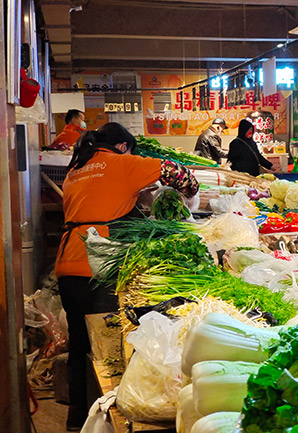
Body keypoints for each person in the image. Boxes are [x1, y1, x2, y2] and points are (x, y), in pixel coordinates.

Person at [55, 122, 198, 431]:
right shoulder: (123, 162)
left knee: (80, 343)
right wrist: (189, 194)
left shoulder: (76, 168)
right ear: (122, 146)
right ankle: (112, 419)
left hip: (68, 263)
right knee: (109, 350)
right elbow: (179, 173)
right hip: (99, 263)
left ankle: (77, 415)